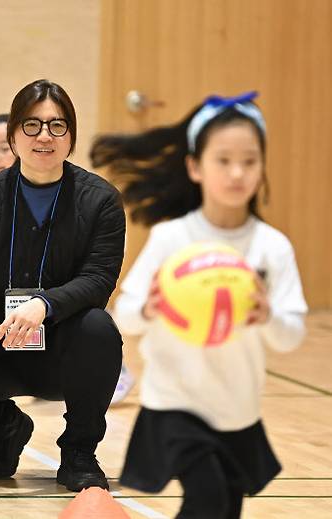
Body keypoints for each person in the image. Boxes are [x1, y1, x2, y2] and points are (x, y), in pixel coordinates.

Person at [90, 92, 308, 518]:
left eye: (249, 161)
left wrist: (268, 317)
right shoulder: (174, 239)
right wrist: (149, 308)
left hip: (236, 407)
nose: (237, 172)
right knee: (206, 496)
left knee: (225, 506)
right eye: (223, 160)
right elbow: (125, 317)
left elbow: (290, 335)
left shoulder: (271, 247)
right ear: (195, 167)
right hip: (175, 403)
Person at [0, 79, 126, 492]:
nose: (44, 137)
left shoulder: (100, 200)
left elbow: (98, 279)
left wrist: (44, 304)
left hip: (61, 345)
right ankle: (5, 429)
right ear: (14, 135)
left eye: (57, 126)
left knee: (99, 329)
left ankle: (79, 452)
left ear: (71, 135)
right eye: (32, 126)